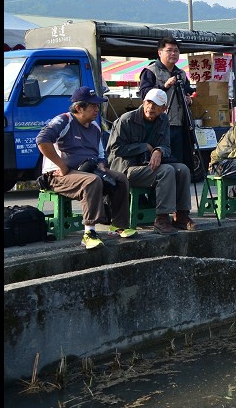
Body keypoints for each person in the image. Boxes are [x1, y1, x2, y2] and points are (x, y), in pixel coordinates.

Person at [36, 86, 136, 249]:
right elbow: (42, 140)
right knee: (92, 181)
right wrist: (61, 166)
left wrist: (102, 165)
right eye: (93, 106)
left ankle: (118, 226)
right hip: (58, 175)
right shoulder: (64, 120)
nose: (97, 109)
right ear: (79, 108)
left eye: (97, 105)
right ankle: (89, 233)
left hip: (87, 170)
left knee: (121, 179)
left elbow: (101, 152)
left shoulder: (95, 127)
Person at [107, 88, 195, 235]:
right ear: (143, 102)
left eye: (156, 104)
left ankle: (181, 215)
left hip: (148, 166)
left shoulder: (163, 120)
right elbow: (116, 149)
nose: (151, 107)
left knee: (182, 169)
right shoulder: (126, 120)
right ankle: (161, 219)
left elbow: (166, 145)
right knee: (166, 171)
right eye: (149, 102)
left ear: (164, 108)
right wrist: (144, 147)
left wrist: (158, 150)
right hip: (126, 169)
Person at [139, 36, 195, 164]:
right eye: (169, 50)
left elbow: (188, 91)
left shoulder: (181, 73)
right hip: (158, 124)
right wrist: (164, 86)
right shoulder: (150, 71)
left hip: (180, 124)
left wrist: (189, 99)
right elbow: (144, 94)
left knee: (179, 162)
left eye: (176, 50)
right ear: (160, 53)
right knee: (162, 161)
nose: (173, 53)